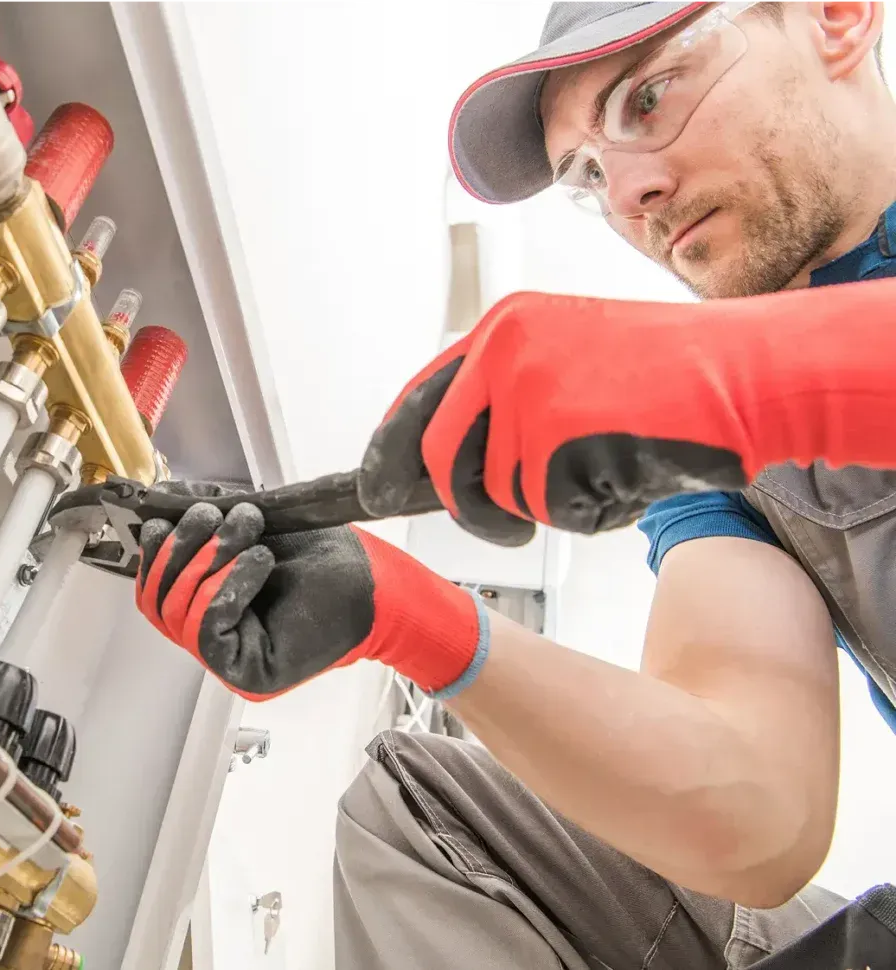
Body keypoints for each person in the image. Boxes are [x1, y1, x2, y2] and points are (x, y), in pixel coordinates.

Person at [137, 0, 896, 966]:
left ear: (838, 16)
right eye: (585, 173)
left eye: (647, 97)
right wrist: (414, 618)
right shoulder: (718, 475)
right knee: (417, 809)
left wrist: (739, 382)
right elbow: (757, 822)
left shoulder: (711, 407)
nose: (627, 196)